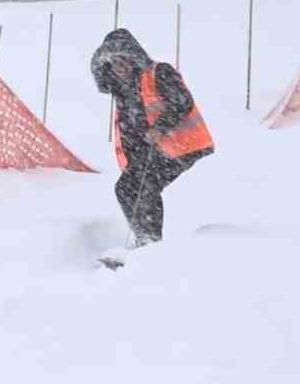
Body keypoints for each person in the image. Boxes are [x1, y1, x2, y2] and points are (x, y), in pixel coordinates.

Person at [90, 28, 212, 246]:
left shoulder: (159, 72)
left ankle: (150, 241)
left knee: (144, 185)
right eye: (115, 62)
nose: (121, 66)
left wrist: (160, 127)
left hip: (183, 145)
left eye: (125, 60)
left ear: (134, 57)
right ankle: (144, 238)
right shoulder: (122, 91)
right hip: (152, 151)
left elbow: (182, 101)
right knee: (125, 188)